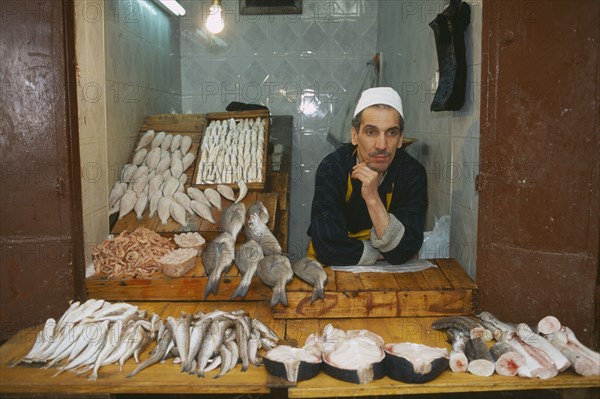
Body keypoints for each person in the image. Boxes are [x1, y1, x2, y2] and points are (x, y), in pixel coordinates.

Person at [307, 87, 427, 265]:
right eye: (371, 132)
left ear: (401, 139)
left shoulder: (411, 173)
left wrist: (372, 197)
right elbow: (327, 246)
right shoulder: (333, 168)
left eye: (391, 133)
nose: (381, 145)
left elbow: (407, 247)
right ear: (355, 135)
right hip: (330, 269)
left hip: (389, 273)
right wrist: (378, 254)